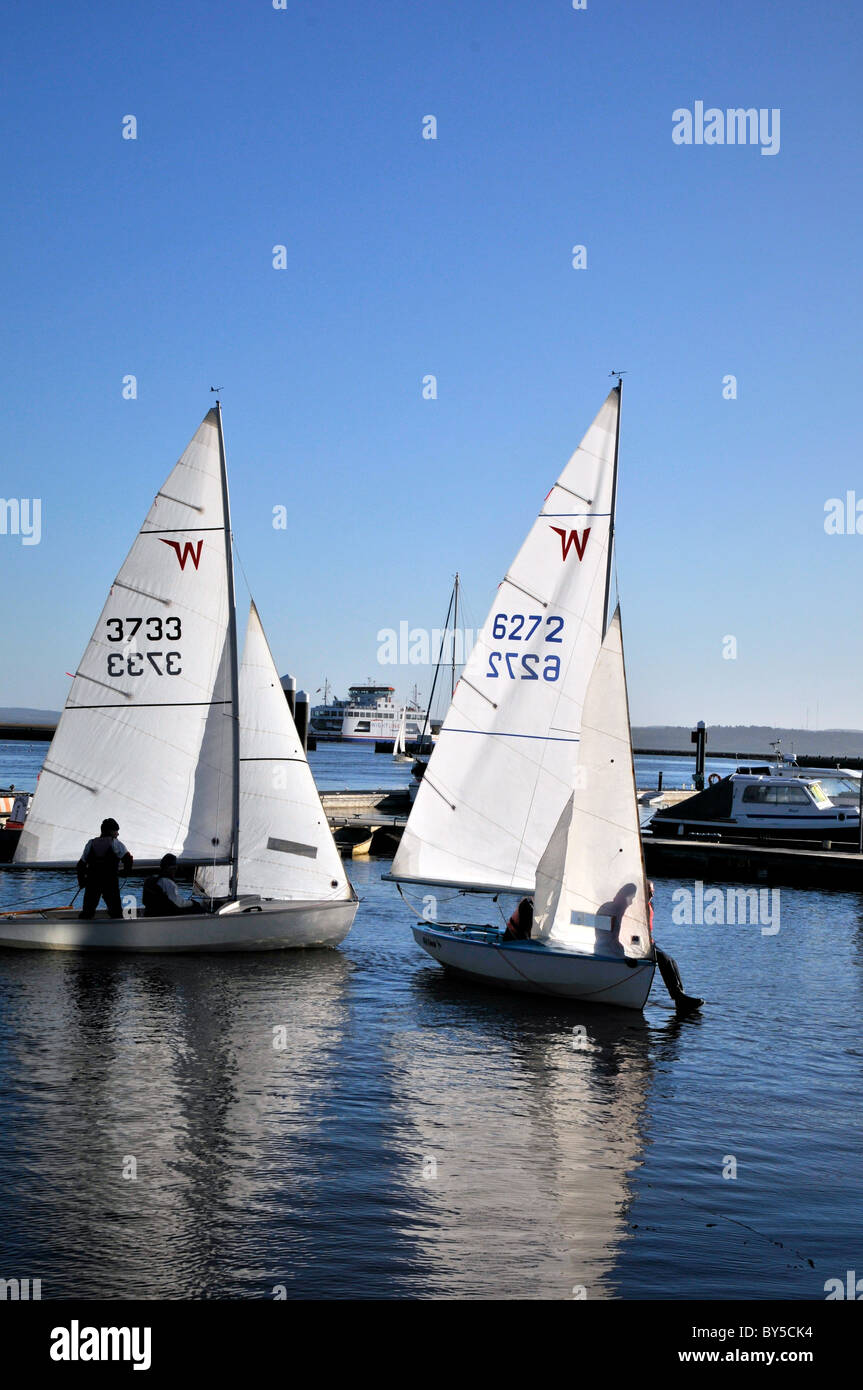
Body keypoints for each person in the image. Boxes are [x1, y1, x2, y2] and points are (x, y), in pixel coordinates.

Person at [648, 880, 704, 1017]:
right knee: (665, 959)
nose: (652, 894)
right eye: (649, 891)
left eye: (653, 892)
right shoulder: (638, 907)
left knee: (671, 961)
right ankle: (678, 997)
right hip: (640, 944)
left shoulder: (650, 905)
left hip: (650, 942)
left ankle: (680, 996)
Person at [77, 819, 133, 919]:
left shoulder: (91, 843)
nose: (118, 833)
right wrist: (125, 872)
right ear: (110, 831)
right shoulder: (116, 843)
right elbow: (128, 859)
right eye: (116, 830)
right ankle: (117, 930)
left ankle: (84, 928)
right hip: (110, 882)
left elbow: (81, 865)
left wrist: (82, 881)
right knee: (116, 912)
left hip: (92, 882)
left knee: (88, 911)